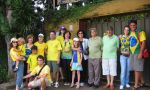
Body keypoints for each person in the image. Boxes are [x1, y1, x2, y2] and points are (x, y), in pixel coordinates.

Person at [129, 20, 146, 89]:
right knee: (137, 68)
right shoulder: (130, 33)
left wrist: (141, 53)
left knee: (137, 69)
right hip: (132, 53)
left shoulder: (140, 32)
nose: (132, 26)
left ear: (136, 25)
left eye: (134, 25)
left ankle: (136, 85)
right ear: (129, 26)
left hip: (138, 52)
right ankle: (142, 82)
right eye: (131, 25)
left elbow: (143, 42)